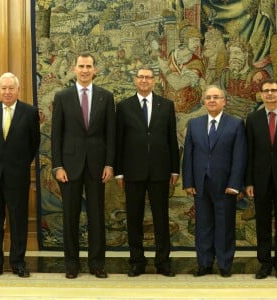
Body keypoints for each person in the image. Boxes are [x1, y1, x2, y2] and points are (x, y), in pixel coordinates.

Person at [51, 53, 115, 279]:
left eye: (89, 66)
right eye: (81, 66)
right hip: (69, 166)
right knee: (70, 216)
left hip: (98, 166)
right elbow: (56, 135)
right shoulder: (62, 97)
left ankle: (97, 264)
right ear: (74, 68)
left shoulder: (106, 97)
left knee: (97, 215)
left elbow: (111, 135)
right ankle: (71, 264)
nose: (85, 70)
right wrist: (57, 166)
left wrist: (109, 163)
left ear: (95, 70)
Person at [115, 66, 179, 277]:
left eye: (148, 77)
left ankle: (163, 262)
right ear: (135, 80)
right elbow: (119, 141)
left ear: (154, 81)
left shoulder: (166, 105)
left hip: (160, 171)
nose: (144, 80)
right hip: (133, 172)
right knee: (134, 218)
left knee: (161, 218)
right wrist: (119, 172)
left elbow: (172, 139)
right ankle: (137, 262)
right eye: (140, 77)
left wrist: (174, 169)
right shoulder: (124, 106)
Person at [182, 85, 246, 277]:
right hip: (200, 185)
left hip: (225, 185)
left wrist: (235, 184)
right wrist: (188, 182)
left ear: (224, 101)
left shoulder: (235, 124)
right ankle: (204, 264)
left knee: (225, 226)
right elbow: (188, 156)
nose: (212, 100)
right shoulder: (194, 124)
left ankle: (225, 265)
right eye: (208, 97)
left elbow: (239, 156)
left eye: (216, 97)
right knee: (203, 226)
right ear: (203, 101)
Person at [0, 72, 40, 278]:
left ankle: (18, 264)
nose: (7, 92)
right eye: (4, 88)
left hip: (18, 175)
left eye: (11, 88)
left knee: (18, 221)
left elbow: (34, 143)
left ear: (18, 90)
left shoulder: (30, 112)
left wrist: (20, 163)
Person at [245, 78, 277, 279]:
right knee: (262, 223)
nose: (270, 94)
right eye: (266, 91)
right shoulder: (253, 119)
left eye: (274, 90)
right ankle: (264, 263)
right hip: (260, 180)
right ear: (261, 94)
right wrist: (248, 181)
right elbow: (248, 152)